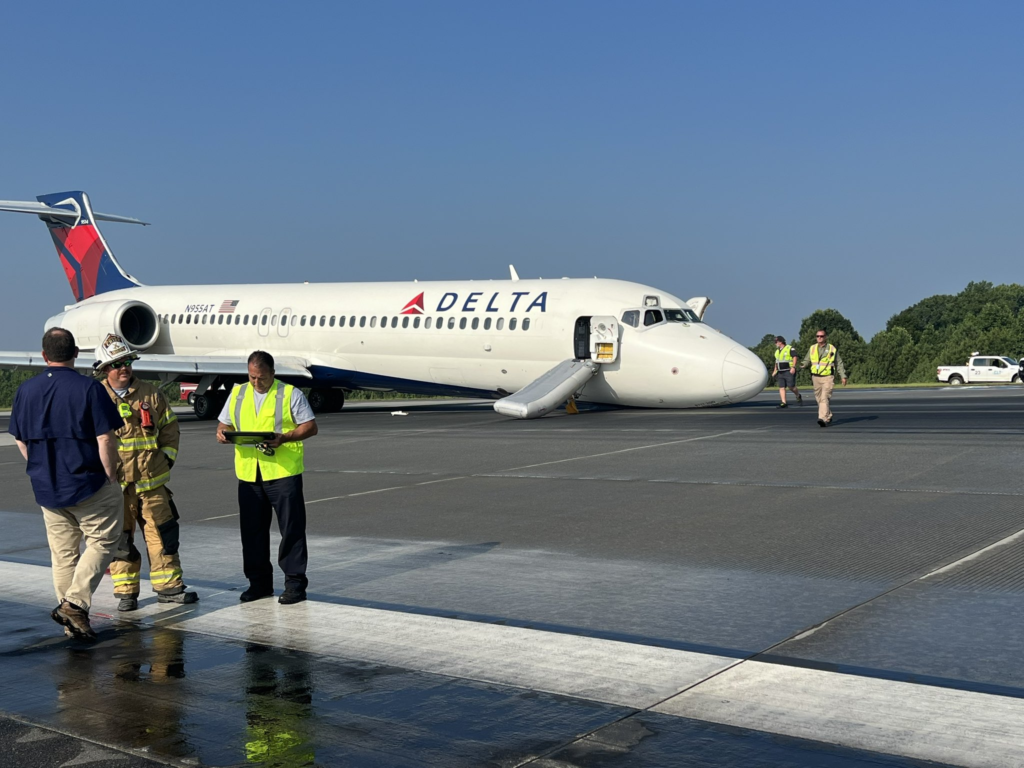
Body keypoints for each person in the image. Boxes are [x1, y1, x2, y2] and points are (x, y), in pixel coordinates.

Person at [8, 328, 124, 641]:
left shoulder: (26, 390)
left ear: (44, 355)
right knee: (103, 540)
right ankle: (75, 604)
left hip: (47, 486)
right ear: (75, 353)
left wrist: (39, 466)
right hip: (88, 483)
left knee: (63, 556)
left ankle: (71, 623)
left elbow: (20, 438)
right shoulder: (89, 389)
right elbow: (104, 437)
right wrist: (111, 474)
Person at [94, 333, 198, 611]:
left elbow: (170, 429)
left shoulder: (151, 394)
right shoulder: (94, 397)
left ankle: (170, 588)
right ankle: (126, 593)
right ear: (105, 369)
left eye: (127, 361)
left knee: (163, 536)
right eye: (117, 363)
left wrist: (165, 460)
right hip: (116, 487)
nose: (124, 368)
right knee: (121, 540)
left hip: (153, 484)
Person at [216, 351, 318, 604]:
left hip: (283, 473)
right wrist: (223, 433)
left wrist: (285, 437)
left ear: (273, 373)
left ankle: (295, 584)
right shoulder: (238, 392)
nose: (256, 383)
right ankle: (259, 584)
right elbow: (224, 424)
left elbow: (310, 426)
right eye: (252, 377)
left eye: (261, 378)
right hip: (250, 473)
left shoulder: (289, 393)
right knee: (252, 532)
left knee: (291, 530)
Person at [800, 329, 848, 427]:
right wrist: (803, 365)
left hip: (828, 377)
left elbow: (838, 362)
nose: (819, 338)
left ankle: (822, 418)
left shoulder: (832, 349)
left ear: (825, 337)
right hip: (816, 377)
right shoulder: (812, 348)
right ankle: (828, 414)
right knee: (819, 399)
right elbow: (807, 359)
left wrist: (843, 376)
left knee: (824, 398)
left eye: (821, 336)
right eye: (817, 336)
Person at [772, 336, 802, 408]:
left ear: (780, 342)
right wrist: (775, 370)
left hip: (788, 370)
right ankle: (783, 402)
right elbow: (777, 361)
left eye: (776, 342)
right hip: (780, 371)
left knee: (791, 386)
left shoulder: (789, 348)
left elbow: (794, 357)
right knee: (781, 387)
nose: (775, 344)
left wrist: (793, 367)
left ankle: (798, 395)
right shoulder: (777, 351)